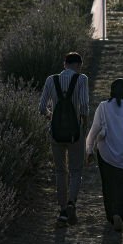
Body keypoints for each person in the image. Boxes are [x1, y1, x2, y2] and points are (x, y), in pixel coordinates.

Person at [39, 52, 89, 228]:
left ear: (64, 64)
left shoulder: (50, 80)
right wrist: (83, 127)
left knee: (61, 171)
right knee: (76, 170)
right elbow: (84, 107)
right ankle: (72, 203)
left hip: (55, 133)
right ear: (78, 65)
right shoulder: (82, 79)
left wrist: (52, 118)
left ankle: (61, 211)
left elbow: (41, 107)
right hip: (75, 133)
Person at [85, 78, 123, 232]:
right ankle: (119, 212)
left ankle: (112, 215)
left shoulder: (103, 107)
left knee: (108, 186)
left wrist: (89, 150)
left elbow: (93, 130)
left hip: (106, 154)